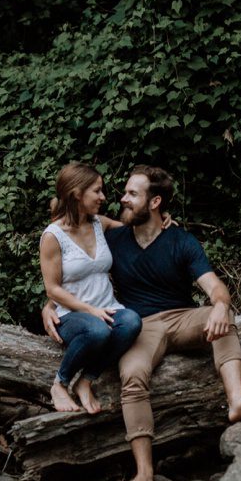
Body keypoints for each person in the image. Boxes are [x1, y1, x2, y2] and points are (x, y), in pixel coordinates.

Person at [44, 165, 241, 481]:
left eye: (132, 194)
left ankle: (237, 398)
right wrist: (49, 306)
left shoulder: (180, 240)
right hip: (138, 325)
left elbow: (214, 286)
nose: (121, 198)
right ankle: (145, 473)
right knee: (132, 377)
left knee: (223, 318)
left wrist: (221, 304)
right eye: (123, 192)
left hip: (183, 317)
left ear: (155, 202)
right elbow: (66, 248)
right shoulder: (113, 236)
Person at [40, 162, 143, 414]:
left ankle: (85, 380)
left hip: (107, 309)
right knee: (98, 331)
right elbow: (52, 289)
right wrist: (88, 310)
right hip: (71, 315)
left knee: (131, 321)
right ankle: (59, 384)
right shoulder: (53, 236)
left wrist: (161, 218)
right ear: (77, 193)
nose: (103, 197)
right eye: (96, 191)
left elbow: (139, 230)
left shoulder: (100, 223)